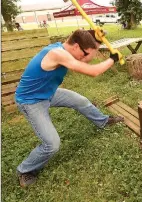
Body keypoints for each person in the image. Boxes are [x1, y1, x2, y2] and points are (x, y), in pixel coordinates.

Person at [15, 29, 124, 187]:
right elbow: (93, 72)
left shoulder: (68, 47)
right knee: (52, 144)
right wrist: (112, 58)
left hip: (48, 92)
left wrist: (96, 36)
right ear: (76, 47)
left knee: (81, 101)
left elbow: (82, 41)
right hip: (31, 101)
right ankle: (25, 170)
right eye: (85, 54)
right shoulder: (56, 53)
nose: (86, 59)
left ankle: (103, 121)